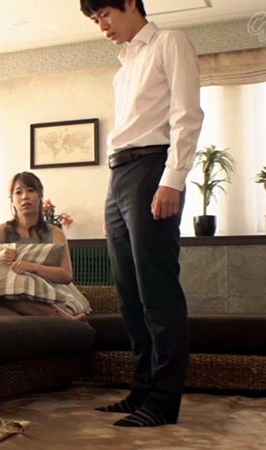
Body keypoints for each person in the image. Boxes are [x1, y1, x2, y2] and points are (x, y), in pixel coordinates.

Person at [80, 0, 204, 427]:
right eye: (95, 20)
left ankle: (163, 402)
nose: (102, 26)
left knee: (156, 289)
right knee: (128, 293)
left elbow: (187, 114)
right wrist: (112, 200)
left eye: (105, 14)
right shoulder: (124, 67)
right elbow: (124, 134)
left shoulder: (170, 42)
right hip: (119, 177)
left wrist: (174, 180)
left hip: (153, 168)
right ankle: (141, 392)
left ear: (131, 3)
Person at [0, 171, 86, 321]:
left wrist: (32, 267)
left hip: (48, 294)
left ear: (40, 196)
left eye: (31, 190)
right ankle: (58, 319)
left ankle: (53, 317)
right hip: (7, 292)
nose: (25, 196)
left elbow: (66, 275)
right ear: (12, 199)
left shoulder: (55, 233)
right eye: (18, 192)